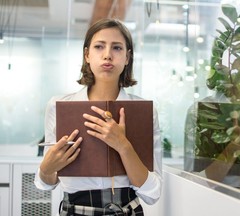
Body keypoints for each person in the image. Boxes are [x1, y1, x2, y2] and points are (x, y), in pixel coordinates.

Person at [34, 18, 162, 216]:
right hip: (75, 211)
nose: (107, 55)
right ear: (87, 55)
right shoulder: (60, 106)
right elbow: (44, 184)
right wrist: (46, 169)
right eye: (99, 47)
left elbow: (152, 193)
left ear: (128, 57)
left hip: (128, 211)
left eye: (117, 48)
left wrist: (123, 145)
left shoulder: (143, 111)